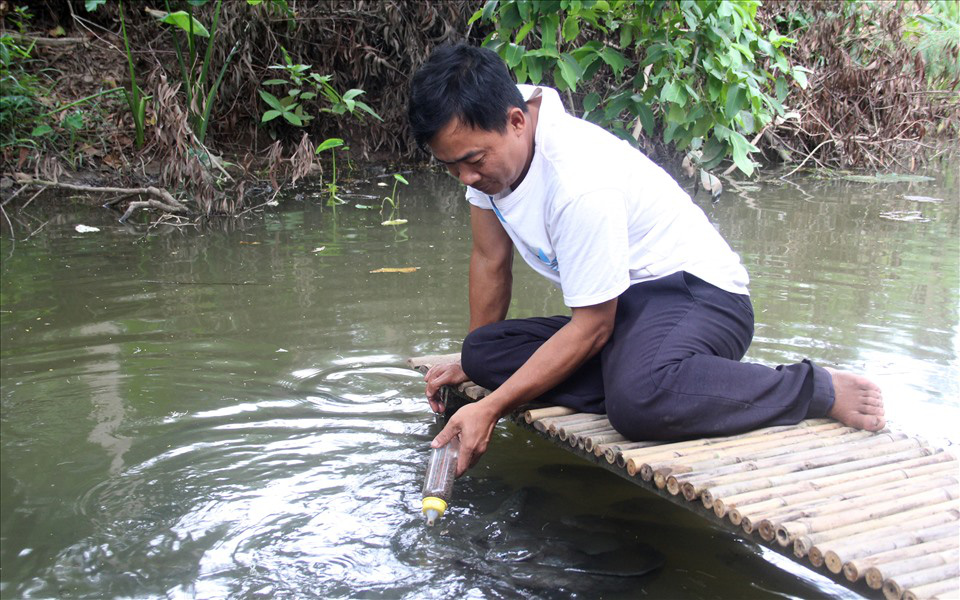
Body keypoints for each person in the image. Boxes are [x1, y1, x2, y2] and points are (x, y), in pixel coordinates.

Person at [407, 43, 884, 477]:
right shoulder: (489, 154)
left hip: (700, 296)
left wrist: (491, 408)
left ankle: (814, 388)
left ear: (516, 121)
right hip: (627, 310)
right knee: (484, 352)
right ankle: (650, 376)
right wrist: (472, 360)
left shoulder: (577, 181)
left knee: (636, 405)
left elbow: (592, 325)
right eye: (452, 167)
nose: (466, 178)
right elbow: (490, 259)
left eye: (473, 161)